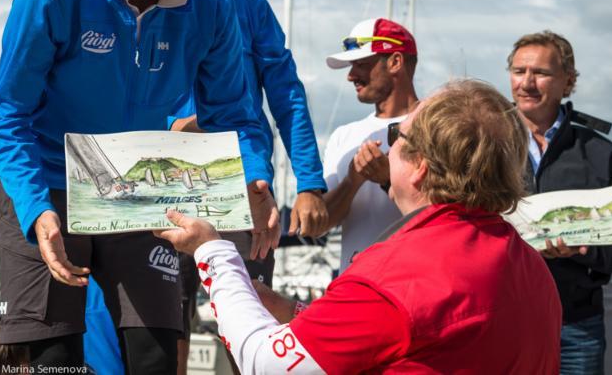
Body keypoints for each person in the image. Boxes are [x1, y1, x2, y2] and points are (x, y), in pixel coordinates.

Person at [0, 0, 279, 372]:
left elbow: (236, 113)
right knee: (54, 357)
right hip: (49, 179)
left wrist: (256, 176)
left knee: (156, 355)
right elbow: (9, 116)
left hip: (140, 186)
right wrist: (35, 208)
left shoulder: (211, 5)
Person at [159, 79, 563, 373]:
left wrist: (212, 251)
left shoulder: (396, 275)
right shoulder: (530, 266)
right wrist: (297, 314)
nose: (388, 145)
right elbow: (403, 338)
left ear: (420, 167)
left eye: (396, 135)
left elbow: (267, 364)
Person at [170, 0, 328, 373]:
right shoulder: (138, 7)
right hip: (160, 186)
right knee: (162, 323)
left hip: (242, 186)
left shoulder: (248, 7)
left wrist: (310, 184)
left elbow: (288, 98)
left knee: (252, 312)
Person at [507, 31, 612, 373]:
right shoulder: (485, 145)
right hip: (502, 317)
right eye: (518, 71)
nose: (527, 82)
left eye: (540, 73)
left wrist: (583, 248)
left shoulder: (601, 154)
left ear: (568, 81)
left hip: (577, 324)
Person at [321, 18, 419, 271]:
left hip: (415, 283)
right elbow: (320, 225)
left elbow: (450, 214)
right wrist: (353, 181)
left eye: (362, 64)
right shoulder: (343, 136)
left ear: (396, 62)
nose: (351, 75)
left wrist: (390, 179)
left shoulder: (438, 126)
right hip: (357, 286)